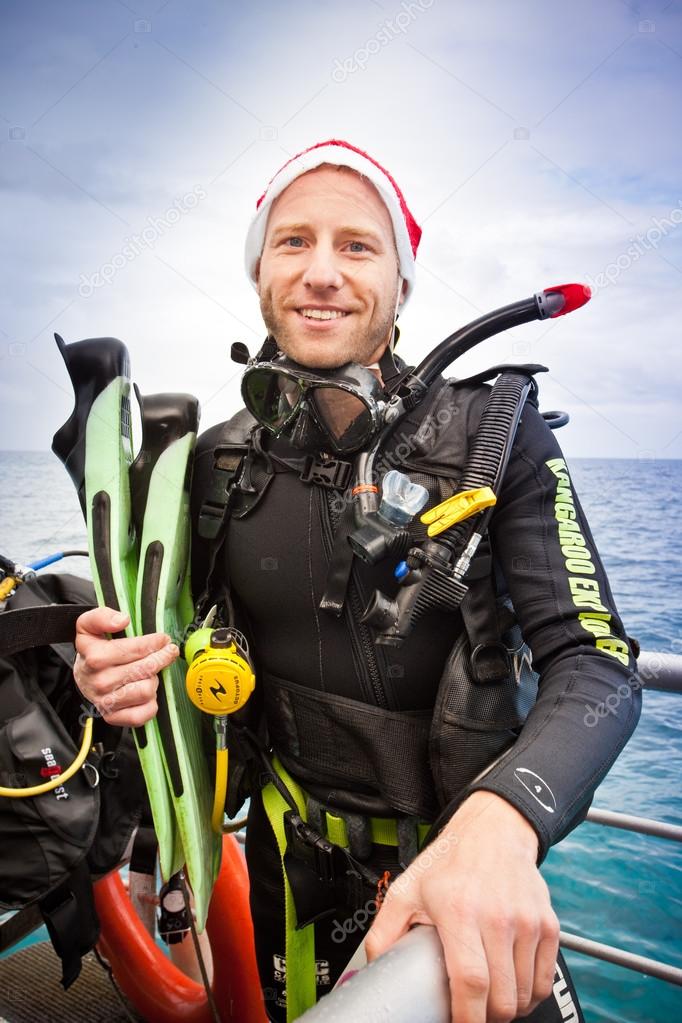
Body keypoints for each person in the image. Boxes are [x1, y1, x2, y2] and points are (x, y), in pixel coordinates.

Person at [72, 139, 641, 1023]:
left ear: (401, 283)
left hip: (462, 881)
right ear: (260, 271)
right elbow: (182, 640)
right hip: (287, 868)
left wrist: (502, 823)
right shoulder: (218, 462)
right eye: (294, 242)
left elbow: (598, 663)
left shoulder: (495, 437)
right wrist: (116, 673)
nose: (322, 272)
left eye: (357, 246)